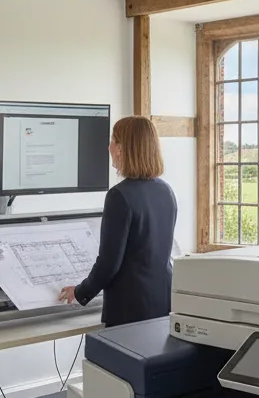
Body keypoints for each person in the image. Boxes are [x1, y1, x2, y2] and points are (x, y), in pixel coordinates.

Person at [60, 116, 177, 328]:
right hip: (162, 304)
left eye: (113, 140)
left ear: (122, 148)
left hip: (129, 311)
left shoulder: (119, 196)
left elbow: (109, 264)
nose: (109, 147)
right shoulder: (166, 191)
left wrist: (80, 292)